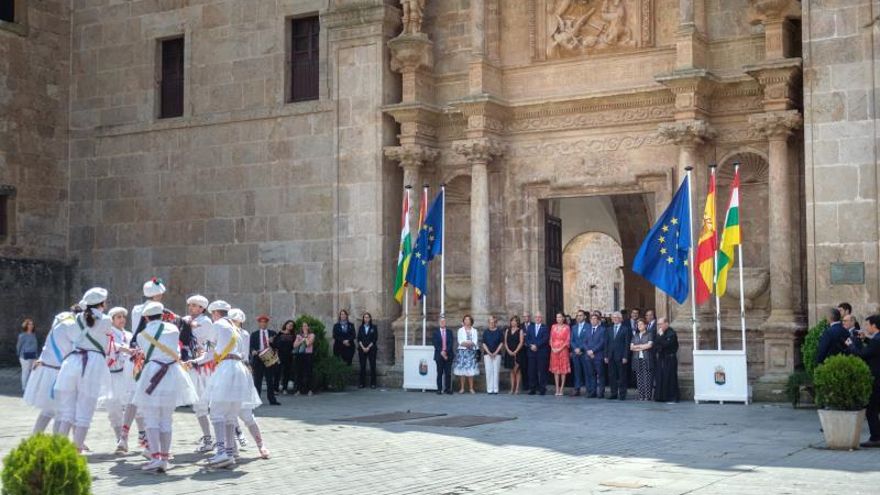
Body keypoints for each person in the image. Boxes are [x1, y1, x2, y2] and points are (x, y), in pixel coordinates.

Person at [132, 301, 198, 472]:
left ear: (146, 317)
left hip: (151, 374)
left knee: (151, 418)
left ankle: (155, 457)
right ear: (162, 315)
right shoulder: (173, 329)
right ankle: (165, 457)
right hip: (171, 374)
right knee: (167, 419)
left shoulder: (142, 335)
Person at [201, 300, 262, 469]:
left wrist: (196, 360)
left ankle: (221, 452)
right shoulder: (237, 329)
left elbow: (210, 349)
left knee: (217, 411)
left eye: (212, 314)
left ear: (215, 313)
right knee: (230, 414)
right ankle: (229, 452)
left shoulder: (218, 324)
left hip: (226, 368)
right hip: (240, 369)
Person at [53, 287, 112, 453]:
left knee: (67, 411)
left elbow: (72, 335)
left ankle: (60, 449)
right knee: (85, 409)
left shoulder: (76, 318)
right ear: (102, 303)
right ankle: (76, 449)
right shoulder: (106, 320)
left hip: (73, 361)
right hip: (92, 363)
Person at [24, 308, 81, 435]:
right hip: (56, 372)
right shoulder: (71, 325)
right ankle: (58, 444)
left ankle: (35, 439)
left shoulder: (60, 322)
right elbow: (80, 345)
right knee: (61, 412)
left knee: (48, 411)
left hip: (47, 370)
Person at [228, 309, 270, 460]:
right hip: (225, 373)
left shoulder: (244, 334)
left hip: (240, 371)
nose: (234, 322)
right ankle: (232, 449)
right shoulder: (225, 331)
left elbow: (243, 355)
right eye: (232, 319)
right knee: (228, 415)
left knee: (247, 415)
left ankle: (261, 445)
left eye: (237, 319)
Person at [179, 294, 217, 453]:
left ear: (202, 308)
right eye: (190, 305)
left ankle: (222, 437)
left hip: (204, 366)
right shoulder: (186, 319)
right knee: (198, 406)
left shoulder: (205, 321)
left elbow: (205, 343)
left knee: (208, 404)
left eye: (195, 305)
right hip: (190, 366)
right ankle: (208, 438)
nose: (191, 308)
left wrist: (185, 324)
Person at [846, 314, 880, 448]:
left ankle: (876, 437)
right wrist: (865, 338)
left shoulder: (877, 341)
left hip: (876, 379)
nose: (866, 327)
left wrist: (851, 346)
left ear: (874, 326)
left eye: (867, 325)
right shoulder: (877, 339)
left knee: (871, 409)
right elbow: (874, 345)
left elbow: (862, 355)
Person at [103, 307, 134, 453]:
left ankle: (138, 437)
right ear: (112, 320)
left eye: (123, 317)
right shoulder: (108, 335)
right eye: (118, 317)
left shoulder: (129, 335)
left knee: (131, 405)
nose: (122, 319)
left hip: (127, 375)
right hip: (111, 374)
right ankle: (120, 440)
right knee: (113, 408)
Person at [249, 315, 280, 405]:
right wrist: (253, 351)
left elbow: (277, 346)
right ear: (259, 323)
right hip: (258, 359)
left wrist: (271, 342)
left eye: (265, 322)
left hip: (269, 358)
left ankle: (272, 400)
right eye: (261, 322)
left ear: (267, 323)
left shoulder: (272, 333)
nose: (263, 323)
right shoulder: (254, 334)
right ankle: (256, 400)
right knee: (257, 380)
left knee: (270, 380)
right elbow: (250, 346)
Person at [605, 311, 631, 400]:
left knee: (622, 376)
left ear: (621, 319)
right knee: (612, 376)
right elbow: (606, 343)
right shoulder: (609, 329)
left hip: (621, 356)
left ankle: (622, 394)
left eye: (617, 317)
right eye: (614, 317)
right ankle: (614, 393)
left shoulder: (626, 329)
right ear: (612, 319)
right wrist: (606, 356)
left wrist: (625, 356)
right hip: (611, 356)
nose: (615, 319)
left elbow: (627, 344)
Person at [653, 317, 679, 403]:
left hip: (670, 358)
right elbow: (656, 344)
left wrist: (661, 338)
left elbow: (666, 344)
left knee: (670, 377)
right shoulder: (660, 333)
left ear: (666, 323)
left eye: (661, 324)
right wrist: (660, 341)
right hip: (661, 358)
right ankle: (661, 397)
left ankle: (672, 397)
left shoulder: (671, 333)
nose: (659, 326)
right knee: (661, 377)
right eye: (658, 324)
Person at [453, 315, 480, 394]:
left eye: (468, 319)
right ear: (463, 321)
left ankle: (471, 388)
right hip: (462, 352)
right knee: (462, 370)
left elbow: (475, 341)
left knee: (471, 370)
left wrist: (470, 344)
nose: (467, 321)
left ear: (471, 321)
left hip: (471, 352)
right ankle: (462, 388)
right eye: (465, 319)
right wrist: (468, 343)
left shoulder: (474, 330)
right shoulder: (460, 330)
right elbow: (460, 341)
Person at [526, 312, 550, 395]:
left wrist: (537, 345)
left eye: (539, 317)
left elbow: (545, 338)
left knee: (542, 371)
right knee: (532, 371)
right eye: (536, 317)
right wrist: (531, 345)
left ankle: (542, 388)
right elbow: (527, 338)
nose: (537, 318)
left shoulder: (545, 327)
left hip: (541, 352)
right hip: (531, 352)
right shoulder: (530, 327)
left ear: (541, 318)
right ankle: (533, 388)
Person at [630, 318, 654, 401]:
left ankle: (647, 396)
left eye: (641, 324)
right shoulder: (635, 335)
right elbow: (631, 347)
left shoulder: (649, 334)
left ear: (645, 325)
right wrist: (642, 347)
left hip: (646, 358)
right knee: (639, 377)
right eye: (638, 325)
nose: (639, 326)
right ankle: (641, 396)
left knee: (647, 378)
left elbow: (649, 345)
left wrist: (638, 347)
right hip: (637, 358)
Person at [584, 311, 607, 398]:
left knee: (600, 374)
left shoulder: (602, 330)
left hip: (598, 355)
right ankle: (592, 392)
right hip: (588, 356)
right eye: (591, 319)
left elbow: (602, 342)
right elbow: (584, 342)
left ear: (598, 320)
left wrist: (593, 351)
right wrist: (588, 351)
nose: (593, 321)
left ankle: (601, 392)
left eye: (595, 319)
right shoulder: (587, 329)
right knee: (591, 374)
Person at [549, 312, 571, 397]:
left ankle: (562, 388)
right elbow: (551, 338)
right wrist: (552, 347)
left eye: (560, 317)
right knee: (556, 370)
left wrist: (560, 348)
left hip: (563, 350)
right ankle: (557, 388)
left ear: (563, 318)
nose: (558, 319)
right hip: (554, 350)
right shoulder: (553, 327)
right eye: (557, 317)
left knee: (563, 371)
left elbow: (567, 340)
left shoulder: (567, 327)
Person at [432, 316, 455, 395]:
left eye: (444, 322)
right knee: (439, 373)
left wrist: (445, 351)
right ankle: (439, 389)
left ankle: (447, 389)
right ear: (439, 323)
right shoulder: (435, 332)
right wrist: (442, 352)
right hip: (439, 355)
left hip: (448, 355)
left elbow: (451, 343)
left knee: (448, 373)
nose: (443, 323)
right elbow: (435, 344)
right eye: (441, 322)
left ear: (446, 323)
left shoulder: (449, 332)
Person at [503, 315, 525, 394]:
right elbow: (505, 342)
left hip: (517, 353)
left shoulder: (520, 331)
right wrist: (508, 350)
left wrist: (515, 351)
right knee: (511, 371)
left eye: (515, 321)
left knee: (517, 370)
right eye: (512, 321)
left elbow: (521, 342)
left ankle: (517, 388)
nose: (513, 322)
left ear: (518, 322)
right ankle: (512, 388)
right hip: (509, 352)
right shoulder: (507, 330)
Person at [482, 316, 504, 395]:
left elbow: (501, 343)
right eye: (490, 322)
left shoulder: (499, 331)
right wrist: (489, 353)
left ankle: (495, 389)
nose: (492, 323)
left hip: (497, 354)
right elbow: (483, 343)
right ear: (488, 323)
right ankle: (489, 389)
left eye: (493, 322)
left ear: (496, 322)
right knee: (489, 371)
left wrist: (495, 352)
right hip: (487, 354)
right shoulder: (486, 332)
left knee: (496, 371)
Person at [293, 321, 316, 396]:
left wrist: (305, 337)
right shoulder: (298, 335)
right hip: (300, 355)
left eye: (306, 326)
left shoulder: (312, 335)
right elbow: (295, 345)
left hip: (308, 355)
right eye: (303, 326)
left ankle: (310, 390)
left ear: (308, 327)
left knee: (309, 372)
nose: (304, 327)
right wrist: (301, 341)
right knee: (298, 372)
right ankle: (298, 390)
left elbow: (308, 343)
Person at [569, 310, 589, 397]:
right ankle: (577, 388)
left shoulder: (588, 327)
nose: (579, 317)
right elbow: (571, 340)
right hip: (575, 353)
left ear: (585, 317)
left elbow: (587, 339)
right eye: (577, 315)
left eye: (581, 315)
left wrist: (580, 348)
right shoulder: (574, 327)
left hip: (584, 353)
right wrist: (575, 349)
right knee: (577, 371)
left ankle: (589, 389)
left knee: (587, 371)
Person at [357, 312, 378, 389]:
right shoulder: (361, 327)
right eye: (365, 317)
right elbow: (359, 339)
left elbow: (375, 339)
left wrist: (368, 347)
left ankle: (373, 383)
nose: (366, 319)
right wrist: (363, 347)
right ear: (363, 319)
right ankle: (362, 383)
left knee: (372, 366)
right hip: (362, 349)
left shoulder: (374, 327)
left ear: (370, 318)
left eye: (367, 317)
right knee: (362, 366)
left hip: (371, 348)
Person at [17, 318, 38, 392]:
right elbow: (19, 346)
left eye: (32, 324)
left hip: (33, 356)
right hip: (24, 356)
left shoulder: (33, 335)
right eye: (29, 324)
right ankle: (24, 387)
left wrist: (36, 356)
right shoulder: (22, 335)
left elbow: (35, 346)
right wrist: (19, 355)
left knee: (32, 371)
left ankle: (30, 386)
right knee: (25, 371)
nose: (31, 325)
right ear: (26, 325)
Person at [275, 320, 296, 394]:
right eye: (289, 324)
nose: (290, 326)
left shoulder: (293, 335)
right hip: (280, 355)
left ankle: (284, 388)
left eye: (292, 325)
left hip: (289, 355)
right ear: (286, 325)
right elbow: (275, 345)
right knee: (277, 372)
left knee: (287, 372)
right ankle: (276, 389)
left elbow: (294, 346)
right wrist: (276, 355)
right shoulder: (280, 334)